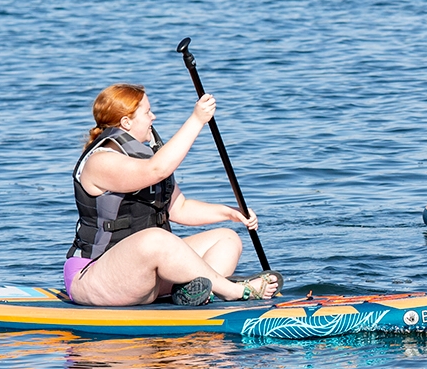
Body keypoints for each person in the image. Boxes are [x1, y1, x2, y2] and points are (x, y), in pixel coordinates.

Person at [64, 83, 282, 306]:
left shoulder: (144, 157)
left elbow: (180, 208)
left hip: (142, 277)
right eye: (147, 112)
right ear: (126, 122)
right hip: (94, 277)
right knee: (156, 239)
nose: (153, 117)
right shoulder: (101, 161)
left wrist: (231, 213)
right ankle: (233, 291)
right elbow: (157, 169)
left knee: (226, 239)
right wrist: (197, 120)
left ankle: (189, 293)